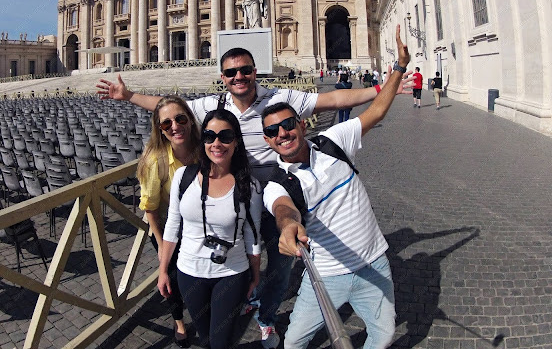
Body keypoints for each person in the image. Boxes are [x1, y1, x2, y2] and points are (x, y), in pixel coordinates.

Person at [97, 47, 412, 348]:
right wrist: (128, 95)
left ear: (254, 71)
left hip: (278, 194)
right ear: (223, 77)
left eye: (245, 70)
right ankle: (240, 301)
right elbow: (173, 111)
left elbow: (332, 99)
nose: (239, 76)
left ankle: (266, 317)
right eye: (231, 72)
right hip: (236, 202)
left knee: (279, 271)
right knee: (242, 264)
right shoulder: (214, 104)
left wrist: (381, 89)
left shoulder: (279, 98)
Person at [262, 23, 410, 349]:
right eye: (273, 131)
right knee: (294, 342)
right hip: (326, 274)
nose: (282, 134)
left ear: (302, 125)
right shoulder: (276, 183)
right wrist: (288, 227)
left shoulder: (333, 141)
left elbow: (376, 111)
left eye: (287, 125)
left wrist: (399, 67)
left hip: (374, 262)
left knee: (383, 335)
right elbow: (283, 209)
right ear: (267, 140)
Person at [158, 109, 262, 349]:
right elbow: (172, 226)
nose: (217, 143)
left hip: (231, 273)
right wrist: (163, 270)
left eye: (225, 136)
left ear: (236, 141)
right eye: (209, 136)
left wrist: (255, 276)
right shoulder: (183, 176)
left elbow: (252, 235)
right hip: (189, 272)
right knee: (205, 338)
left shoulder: (250, 186)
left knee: (220, 342)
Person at [138, 96, 200, 347]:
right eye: (166, 123)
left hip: (198, 226)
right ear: (160, 129)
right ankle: (179, 322)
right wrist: (162, 245)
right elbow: (151, 210)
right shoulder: (156, 161)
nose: (175, 126)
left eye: (180, 119)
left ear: (190, 120)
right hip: (166, 229)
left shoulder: (204, 148)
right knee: (172, 278)